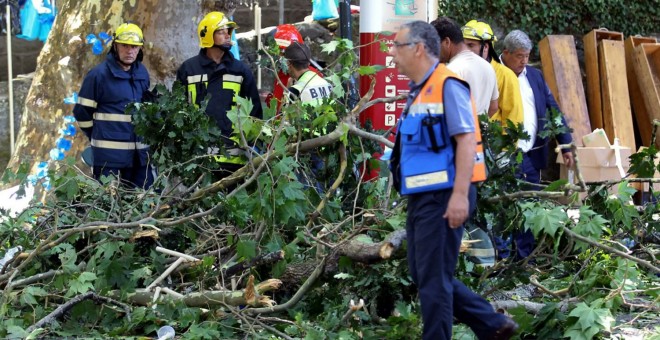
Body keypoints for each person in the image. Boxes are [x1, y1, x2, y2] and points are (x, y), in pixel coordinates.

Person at [387, 20, 518, 339]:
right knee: (423, 274)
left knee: (433, 281)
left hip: (444, 195)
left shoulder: (448, 84)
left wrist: (460, 195)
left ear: (418, 48)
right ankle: (492, 323)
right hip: (423, 196)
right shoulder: (421, 90)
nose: (392, 54)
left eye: (397, 47)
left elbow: (466, 140)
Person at [499, 29, 574, 258]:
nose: (524, 61)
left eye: (527, 56)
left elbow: (553, 109)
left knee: (529, 205)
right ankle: (500, 259)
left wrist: (566, 144)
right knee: (502, 205)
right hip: (503, 153)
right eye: (520, 56)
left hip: (531, 153)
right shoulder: (494, 72)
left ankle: (523, 260)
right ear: (506, 53)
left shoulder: (535, 76)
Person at [176, 11, 263, 178]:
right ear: (207, 35)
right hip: (199, 159)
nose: (227, 35)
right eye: (221, 31)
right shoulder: (188, 69)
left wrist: (252, 147)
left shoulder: (241, 70)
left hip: (234, 160)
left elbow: (254, 114)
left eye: (228, 31)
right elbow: (179, 111)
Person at [74, 23, 155, 190]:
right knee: (109, 209)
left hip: (140, 158)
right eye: (125, 45)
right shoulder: (98, 76)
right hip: (109, 161)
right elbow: (82, 113)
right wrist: (97, 135)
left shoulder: (142, 73)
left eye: (134, 46)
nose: (130, 51)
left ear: (140, 49)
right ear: (115, 46)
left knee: (145, 206)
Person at [431, 16, 498, 117]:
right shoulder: (488, 67)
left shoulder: (451, 71)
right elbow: (494, 106)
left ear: (447, 42)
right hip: (479, 131)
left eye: (434, 45)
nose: (433, 51)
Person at [462, 19, 523, 128]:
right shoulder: (460, 72)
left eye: (471, 45)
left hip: (492, 143)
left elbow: (514, 123)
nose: (465, 50)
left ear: (485, 47)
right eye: (463, 45)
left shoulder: (506, 76)